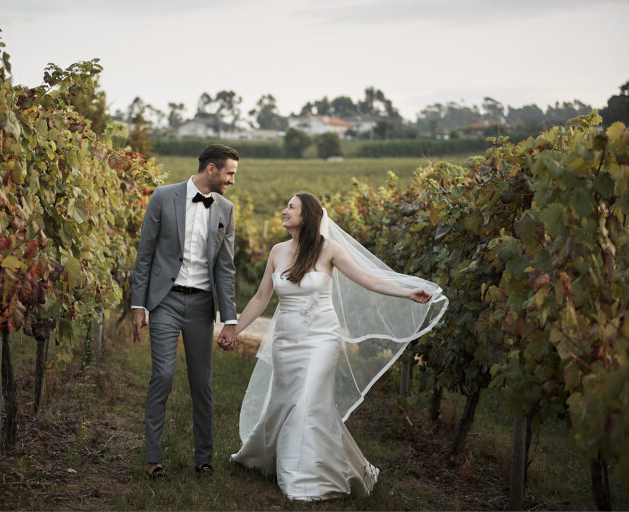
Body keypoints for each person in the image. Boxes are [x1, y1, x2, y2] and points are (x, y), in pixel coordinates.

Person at [231, 192, 447, 501]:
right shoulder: (277, 251)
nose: (283, 211)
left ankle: (299, 478)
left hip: (321, 339)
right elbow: (261, 297)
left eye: (290, 207)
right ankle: (277, 457)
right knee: (284, 402)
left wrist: (406, 292)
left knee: (307, 402)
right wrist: (234, 330)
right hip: (286, 342)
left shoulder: (328, 249)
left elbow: (367, 279)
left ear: (307, 215)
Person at [131, 144, 241, 480]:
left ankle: (204, 458)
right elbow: (145, 254)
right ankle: (153, 459)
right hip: (165, 300)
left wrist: (230, 319)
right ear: (211, 169)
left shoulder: (226, 209)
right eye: (229, 173)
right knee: (162, 376)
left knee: (201, 383)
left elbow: (225, 268)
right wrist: (138, 304)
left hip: (201, 305)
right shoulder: (163, 197)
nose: (232, 181)